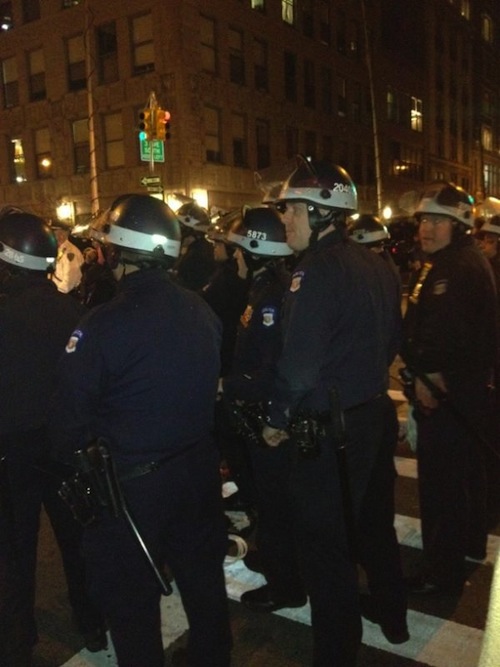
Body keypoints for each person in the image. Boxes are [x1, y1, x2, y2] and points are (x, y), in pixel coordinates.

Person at [49, 194, 232, 667]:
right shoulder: (201, 310)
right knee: (203, 583)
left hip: (133, 488)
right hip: (196, 470)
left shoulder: (103, 325)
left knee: (131, 605)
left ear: (116, 253)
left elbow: (69, 420)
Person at [259, 155, 404, 666]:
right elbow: (391, 342)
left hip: (331, 429)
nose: (285, 220)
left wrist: (277, 420)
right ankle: (394, 616)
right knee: (369, 525)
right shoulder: (376, 265)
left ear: (321, 214)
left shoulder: (315, 272)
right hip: (370, 416)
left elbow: (297, 367)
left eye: (292, 210)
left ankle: (336, 653)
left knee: (325, 547)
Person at [0, 210, 105, 667]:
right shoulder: (70, 309)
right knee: (77, 540)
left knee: (15, 551)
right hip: (63, 445)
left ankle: (16, 640)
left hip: (14, 449)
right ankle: (93, 622)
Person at [401, 182, 497, 593]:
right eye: (425, 219)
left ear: (459, 227)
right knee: (465, 479)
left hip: (446, 397)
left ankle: (441, 573)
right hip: (462, 395)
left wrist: (432, 379)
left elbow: (448, 335)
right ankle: (467, 547)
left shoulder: (455, 268)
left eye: (439, 221)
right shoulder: (452, 261)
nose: (428, 228)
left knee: (442, 488)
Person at [217, 206, 307, 611]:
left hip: (268, 414)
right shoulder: (262, 289)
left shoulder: (271, 297)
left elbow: (269, 370)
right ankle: (276, 561)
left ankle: (285, 586)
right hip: (258, 410)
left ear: (254, 251)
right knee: (271, 501)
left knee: (276, 505)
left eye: (238, 250)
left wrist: (226, 385)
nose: (233, 256)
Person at [202, 209, 251, 377]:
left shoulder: (233, 278)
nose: (214, 248)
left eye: (218, 244)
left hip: (226, 349)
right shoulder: (223, 272)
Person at [173, 201, 217, 291]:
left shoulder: (198, 255)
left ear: (188, 230)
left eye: (181, 227)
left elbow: (186, 285)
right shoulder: (195, 249)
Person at [50, 222, 84, 295]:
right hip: (58, 291)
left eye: (53, 233)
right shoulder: (60, 249)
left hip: (65, 295)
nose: (51, 236)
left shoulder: (70, 253)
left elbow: (69, 283)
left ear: (61, 235)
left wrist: (56, 295)